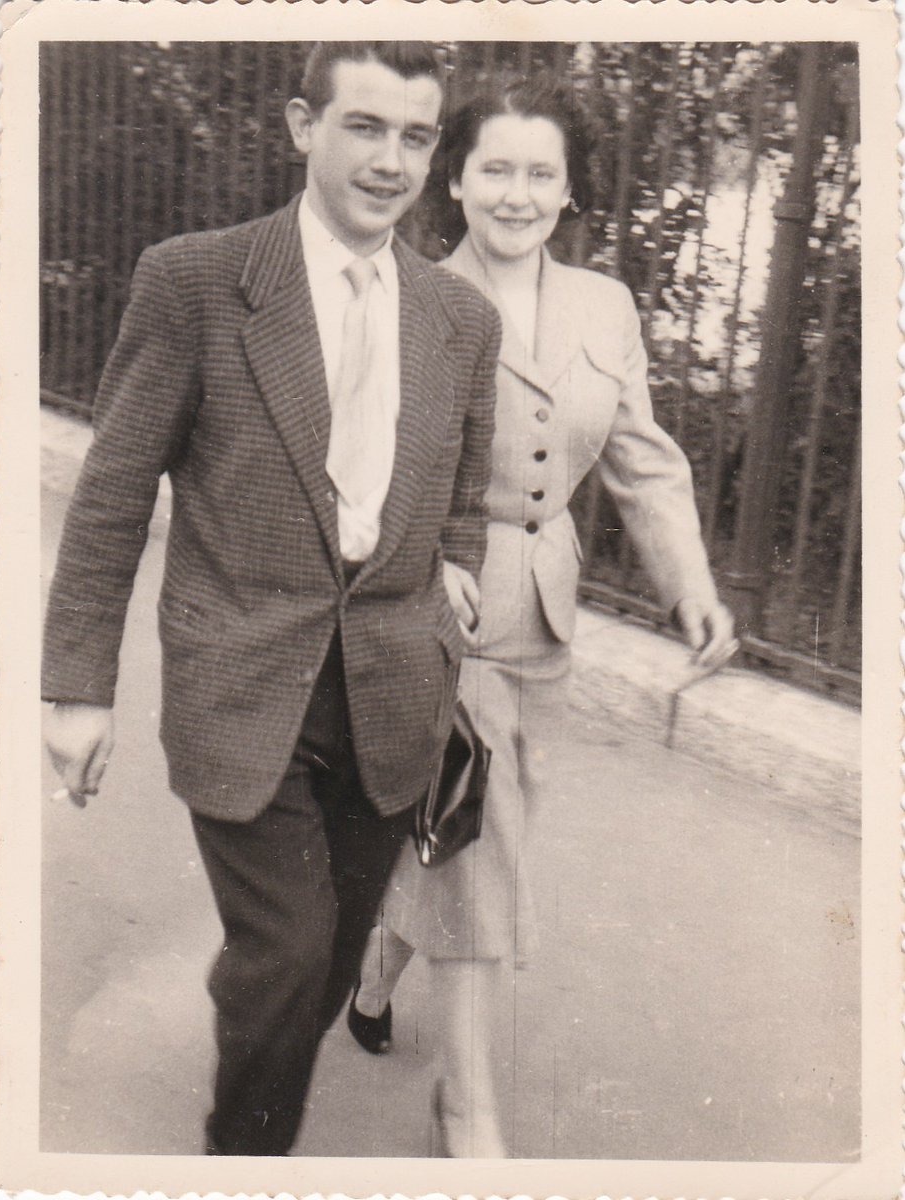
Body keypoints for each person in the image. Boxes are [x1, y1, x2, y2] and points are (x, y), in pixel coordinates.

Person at [42, 41, 501, 1157]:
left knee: (332, 952)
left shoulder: (459, 317)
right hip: (242, 679)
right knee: (288, 956)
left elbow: (465, 479)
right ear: (302, 125)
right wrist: (76, 689)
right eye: (364, 127)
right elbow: (112, 492)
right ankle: (241, 1165)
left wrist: (455, 559)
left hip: (394, 692)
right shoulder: (197, 279)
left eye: (416, 136)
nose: (390, 161)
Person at [350, 74, 737, 1157]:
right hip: (440, 614)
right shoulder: (404, 298)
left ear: (568, 192)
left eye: (541, 174)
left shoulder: (603, 307)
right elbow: (360, 478)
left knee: (470, 830)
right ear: (456, 180)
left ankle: (380, 968)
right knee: (482, 839)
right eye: (495, 170)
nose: (516, 195)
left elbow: (641, 460)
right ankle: (466, 1106)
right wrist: (421, 565)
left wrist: (691, 586)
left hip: (547, 614)